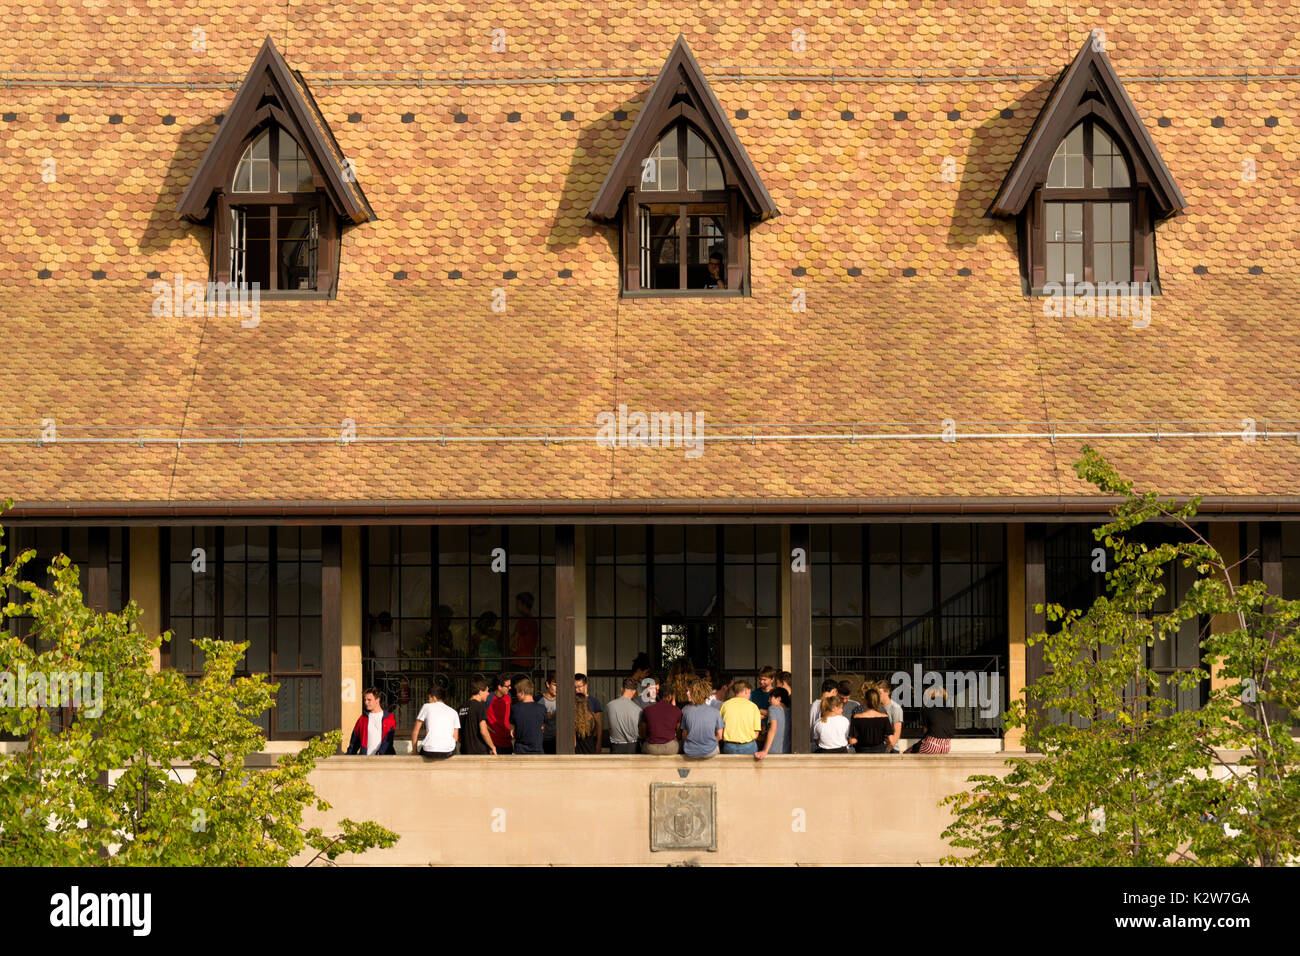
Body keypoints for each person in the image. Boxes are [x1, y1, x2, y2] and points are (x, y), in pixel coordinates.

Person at [411, 684, 460, 759]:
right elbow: (455, 737)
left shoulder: (426, 706)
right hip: (448, 751)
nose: (428, 701)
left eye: (429, 698)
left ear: (433, 698)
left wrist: (414, 751)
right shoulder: (454, 712)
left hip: (430, 751)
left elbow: (415, 731)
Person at [680, 678, 725, 759]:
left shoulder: (685, 710)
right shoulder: (715, 712)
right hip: (711, 752)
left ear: (697, 692)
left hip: (690, 751)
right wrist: (709, 744)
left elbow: (684, 735)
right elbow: (720, 736)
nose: (687, 693)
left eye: (689, 691)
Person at [848, 683, 897, 754]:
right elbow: (891, 741)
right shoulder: (884, 717)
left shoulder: (856, 717)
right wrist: (886, 749)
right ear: (877, 701)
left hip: (862, 752)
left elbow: (852, 741)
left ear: (865, 700)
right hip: (880, 752)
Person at [347, 687, 397, 755]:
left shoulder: (389, 718)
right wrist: (348, 758)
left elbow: (388, 739)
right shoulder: (362, 719)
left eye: (369, 700)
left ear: (377, 700)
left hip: (385, 760)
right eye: (365, 700)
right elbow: (354, 743)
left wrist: (381, 753)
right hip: (365, 760)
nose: (366, 702)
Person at [718, 679, 763, 754]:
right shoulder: (753, 707)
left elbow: (719, 729)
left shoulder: (724, 705)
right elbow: (756, 733)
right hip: (748, 746)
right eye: (749, 692)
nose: (750, 695)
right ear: (746, 690)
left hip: (729, 746)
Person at [909, 686, 956, 754]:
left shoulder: (927, 708)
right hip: (946, 746)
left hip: (931, 746)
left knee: (908, 752)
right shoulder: (950, 710)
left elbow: (925, 731)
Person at [457, 676, 495, 755]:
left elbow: (458, 733)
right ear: (480, 691)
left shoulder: (461, 708)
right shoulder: (480, 706)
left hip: (465, 751)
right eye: (487, 691)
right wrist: (492, 746)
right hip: (479, 751)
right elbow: (483, 731)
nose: (488, 694)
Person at [639, 684, 682, 755]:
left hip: (651, 748)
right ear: (670, 696)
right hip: (670, 748)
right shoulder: (677, 711)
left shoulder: (647, 710)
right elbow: (679, 734)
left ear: (658, 696)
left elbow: (643, 733)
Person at [510, 678, 548, 755]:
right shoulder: (542, 708)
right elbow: (543, 728)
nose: (516, 695)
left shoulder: (515, 709)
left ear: (522, 693)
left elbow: (511, 732)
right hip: (538, 750)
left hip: (520, 751)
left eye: (517, 692)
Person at [605, 677, 643, 754]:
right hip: (633, 747)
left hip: (616, 747)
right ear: (634, 691)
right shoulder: (639, 710)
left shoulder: (610, 705)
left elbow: (610, 727)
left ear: (622, 689)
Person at [755, 686, 791, 759]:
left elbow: (773, 729)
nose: (768, 700)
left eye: (770, 697)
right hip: (786, 751)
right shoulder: (790, 711)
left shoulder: (773, 708)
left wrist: (765, 751)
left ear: (778, 699)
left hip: (772, 750)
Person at [509, 592, 539, 668]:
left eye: (517, 603)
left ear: (523, 604)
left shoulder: (523, 621)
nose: (516, 606)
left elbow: (513, 640)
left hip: (519, 661)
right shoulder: (533, 622)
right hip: (529, 661)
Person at [486, 672, 513, 755]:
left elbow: (509, 717)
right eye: (507, 686)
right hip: (494, 742)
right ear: (499, 687)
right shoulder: (489, 698)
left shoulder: (508, 696)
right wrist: (488, 728)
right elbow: (480, 718)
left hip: (507, 741)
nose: (510, 687)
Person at [574, 673, 603, 753]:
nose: (577, 690)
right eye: (575, 687)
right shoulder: (571, 701)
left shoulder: (594, 702)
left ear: (585, 686)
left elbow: (599, 725)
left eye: (579, 687)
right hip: (577, 744)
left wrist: (599, 744)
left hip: (590, 742)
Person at [810, 678, 839, 747]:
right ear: (834, 691)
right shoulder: (829, 705)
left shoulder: (814, 704)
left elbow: (810, 723)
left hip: (814, 743)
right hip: (826, 744)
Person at [878, 678, 904, 753]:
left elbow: (897, 732)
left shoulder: (895, 708)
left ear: (887, 692)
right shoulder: (876, 707)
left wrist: (889, 748)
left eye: (879, 693)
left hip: (891, 748)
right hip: (879, 746)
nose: (877, 696)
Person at [539, 670, 559, 754]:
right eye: (555, 685)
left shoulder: (563, 701)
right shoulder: (539, 701)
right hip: (543, 741)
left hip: (559, 741)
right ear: (548, 684)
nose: (557, 688)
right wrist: (544, 716)